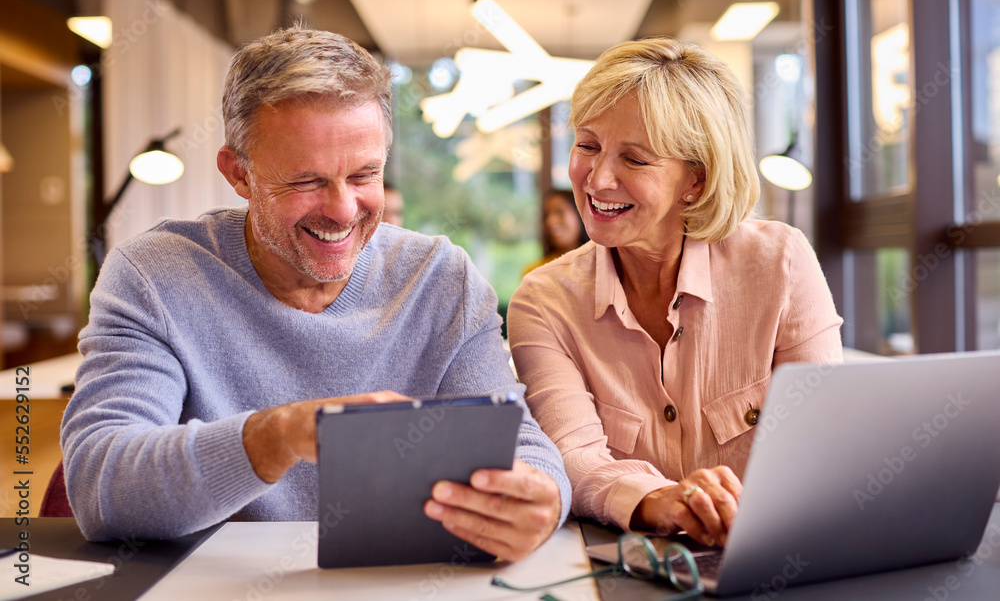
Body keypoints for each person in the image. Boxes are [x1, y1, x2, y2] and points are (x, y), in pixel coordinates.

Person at [61, 27, 569, 562]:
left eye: (364, 174)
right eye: (307, 181)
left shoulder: (442, 279)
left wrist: (540, 498)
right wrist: (278, 435)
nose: (344, 210)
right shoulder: (154, 277)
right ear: (239, 173)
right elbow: (102, 486)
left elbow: (522, 443)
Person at [507, 37, 842, 549]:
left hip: (782, 557)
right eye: (587, 145)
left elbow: (823, 444)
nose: (597, 179)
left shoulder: (781, 263)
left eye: (635, 160)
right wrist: (661, 501)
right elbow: (570, 455)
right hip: (631, 569)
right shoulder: (544, 300)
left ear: (696, 180)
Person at [522, 189, 589, 275]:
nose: (550, 222)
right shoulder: (534, 272)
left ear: (580, 213)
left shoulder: (602, 265)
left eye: (559, 212)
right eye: (546, 215)